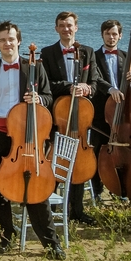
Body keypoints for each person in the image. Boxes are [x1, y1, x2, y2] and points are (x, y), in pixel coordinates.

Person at [0, 21, 64, 259]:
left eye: (11, 39)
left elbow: (48, 96)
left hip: (27, 137)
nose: (7, 43)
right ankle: (6, 236)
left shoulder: (33, 67)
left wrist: (39, 99)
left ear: (19, 41)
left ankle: (51, 242)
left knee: (35, 188)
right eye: (2, 40)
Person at [40, 11, 104, 226]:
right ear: (56, 28)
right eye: (62, 25)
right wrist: (70, 86)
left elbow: (95, 82)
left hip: (80, 117)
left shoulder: (88, 52)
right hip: (58, 117)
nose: (66, 29)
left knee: (78, 163)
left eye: (69, 25)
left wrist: (87, 88)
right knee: (54, 161)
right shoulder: (47, 53)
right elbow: (47, 84)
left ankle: (77, 211)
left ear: (76, 27)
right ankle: (50, 209)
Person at [91, 19, 131, 200]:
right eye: (107, 33)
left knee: (124, 152)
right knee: (98, 152)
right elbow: (95, 78)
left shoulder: (126, 56)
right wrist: (110, 89)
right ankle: (97, 191)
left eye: (114, 34)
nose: (111, 37)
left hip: (124, 116)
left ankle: (122, 188)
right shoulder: (94, 56)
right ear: (102, 35)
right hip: (102, 114)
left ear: (120, 36)